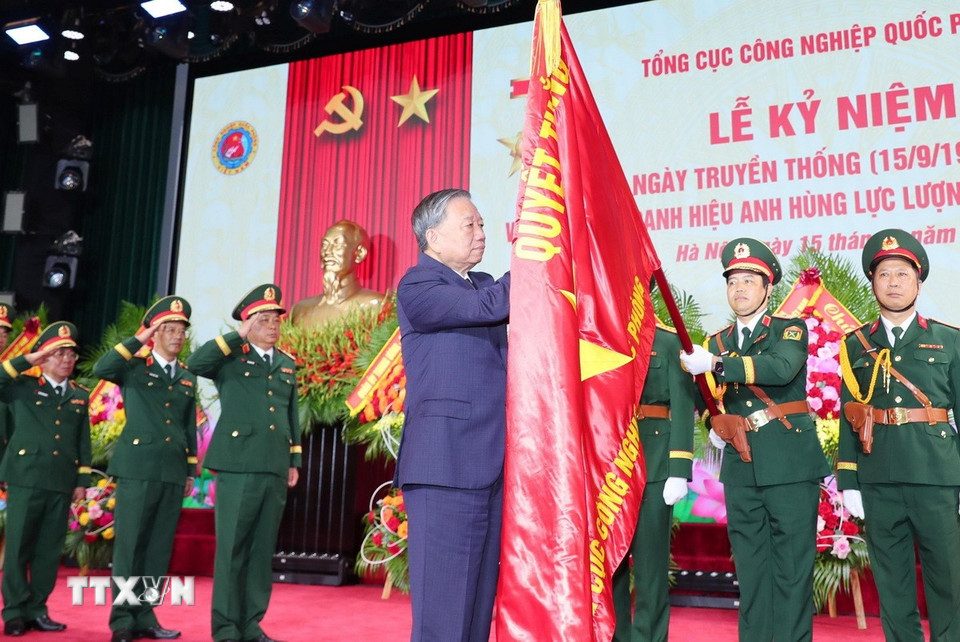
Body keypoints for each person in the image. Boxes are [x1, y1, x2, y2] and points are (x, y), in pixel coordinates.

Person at [680, 238, 829, 641]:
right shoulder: (716, 340)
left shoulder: (789, 329)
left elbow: (781, 369)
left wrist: (715, 363)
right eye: (733, 281)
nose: (740, 289)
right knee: (751, 570)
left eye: (750, 280)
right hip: (742, 469)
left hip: (790, 464)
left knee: (792, 569)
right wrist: (714, 421)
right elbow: (705, 396)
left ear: (767, 288)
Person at [396, 188, 510, 642]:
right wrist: (534, 259)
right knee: (443, 612)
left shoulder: (484, 284)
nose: (481, 233)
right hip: (444, 467)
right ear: (433, 236)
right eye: (471, 225)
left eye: (482, 224)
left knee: (478, 608)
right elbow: (486, 309)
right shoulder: (419, 284)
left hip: (493, 465)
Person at [837, 229, 960, 641]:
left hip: (936, 477)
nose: (893, 281)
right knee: (892, 584)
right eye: (884, 273)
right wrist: (849, 480)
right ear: (873, 282)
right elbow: (849, 415)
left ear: (918, 281)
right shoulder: (855, 345)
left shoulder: (948, 340)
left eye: (902, 273)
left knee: (949, 581)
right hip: (879, 478)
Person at [187, 284, 301, 642]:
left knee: (260, 548)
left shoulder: (286, 363)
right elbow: (196, 363)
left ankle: (251, 623)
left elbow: (290, 414)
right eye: (263, 320)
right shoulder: (231, 358)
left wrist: (294, 459)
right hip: (238, 465)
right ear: (248, 323)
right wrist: (236, 336)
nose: (272, 326)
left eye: (275, 320)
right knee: (233, 548)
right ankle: (225, 627)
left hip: (274, 465)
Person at [93, 296, 199, 642]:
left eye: (181, 330)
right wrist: (138, 339)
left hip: (171, 470)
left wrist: (189, 470)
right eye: (169, 329)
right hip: (138, 468)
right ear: (154, 333)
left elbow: (187, 427)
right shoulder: (135, 367)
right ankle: (123, 620)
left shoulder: (185, 377)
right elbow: (102, 368)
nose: (177, 336)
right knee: (131, 546)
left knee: (157, 548)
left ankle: (146, 615)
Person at [0, 322, 91, 637]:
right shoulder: (22, 386)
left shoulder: (80, 395)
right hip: (26, 478)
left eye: (71, 354)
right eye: (59, 353)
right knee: (18, 547)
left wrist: (81, 480)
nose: (67, 359)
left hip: (61, 481)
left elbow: (83, 442)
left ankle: (37, 609)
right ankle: (13, 612)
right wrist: (31, 358)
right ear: (44, 357)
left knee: (48, 550)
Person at [611, 318, 695, 642]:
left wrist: (679, 468)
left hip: (655, 462)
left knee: (651, 568)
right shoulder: (597, 335)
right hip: (610, 462)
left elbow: (683, 405)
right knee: (611, 567)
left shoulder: (668, 341)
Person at [290, 220, 382, 328]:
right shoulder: (300, 309)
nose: (327, 251)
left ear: (359, 254)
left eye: (338, 244)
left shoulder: (376, 305)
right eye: (324, 245)